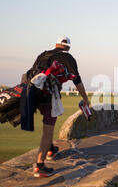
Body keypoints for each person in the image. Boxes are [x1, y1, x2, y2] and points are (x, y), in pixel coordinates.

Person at [25, 36, 90, 177]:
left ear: (55, 44)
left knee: (47, 126)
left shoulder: (43, 55)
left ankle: (51, 149)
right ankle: (39, 166)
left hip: (33, 94)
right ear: (68, 48)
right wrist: (85, 98)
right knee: (48, 129)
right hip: (48, 95)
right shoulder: (68, 58)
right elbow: (76, 80)